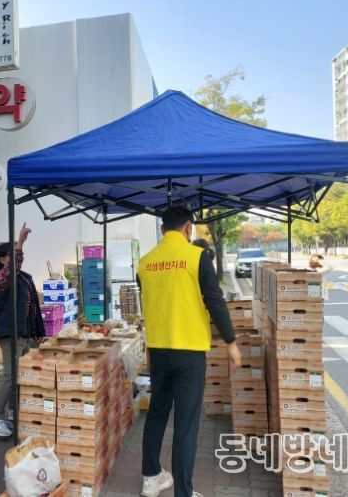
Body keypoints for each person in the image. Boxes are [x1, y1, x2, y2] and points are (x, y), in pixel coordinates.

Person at [137, 206, 242, 497]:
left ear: (162, 230)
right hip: (189, 353)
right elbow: (214, 300)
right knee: (186, 424)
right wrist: (231, 342)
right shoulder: (197, 257)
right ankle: (183, 492)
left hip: (159, 351)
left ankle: (151, 477)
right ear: (188, 228)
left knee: (157, 412)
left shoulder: (145, 263)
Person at [0, 223, 45, 438]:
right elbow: (13, 268)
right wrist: (20, 241)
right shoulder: (0, 278)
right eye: (12, 255)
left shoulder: (23, 278)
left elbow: (31, 306)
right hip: (10, 333)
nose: (18, 257)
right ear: (3, 260)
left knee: (20, 376)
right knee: (9, 376)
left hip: (22, 333)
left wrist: (37, 331)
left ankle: (13, 413)